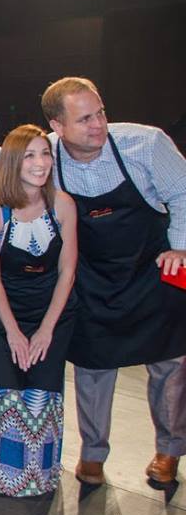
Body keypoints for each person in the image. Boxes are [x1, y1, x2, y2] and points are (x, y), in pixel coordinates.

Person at [42, 77, 186, 486]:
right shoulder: (45, 156)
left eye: (100, 113)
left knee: (171, 364)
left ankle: (169, 450)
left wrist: (181, 247)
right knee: (92, 366)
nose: (98, 125)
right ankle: (92, 454)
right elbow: (17, 192)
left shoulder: (146, 143)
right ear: (57, 125)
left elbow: (183, 192)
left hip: (152, 270)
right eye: (84, 119)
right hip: (91, 277)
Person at [0, 124, 78, 496]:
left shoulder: (63, 204)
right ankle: (6, 476)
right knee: (12, 391)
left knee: (46, 392)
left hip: (54, 314)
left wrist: (47, 329)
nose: (40, 163)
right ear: (13, 162)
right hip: (7, 315)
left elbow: (67, 272)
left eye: (45, 153)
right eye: (30, 155)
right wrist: (14, 333)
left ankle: (42, 476)